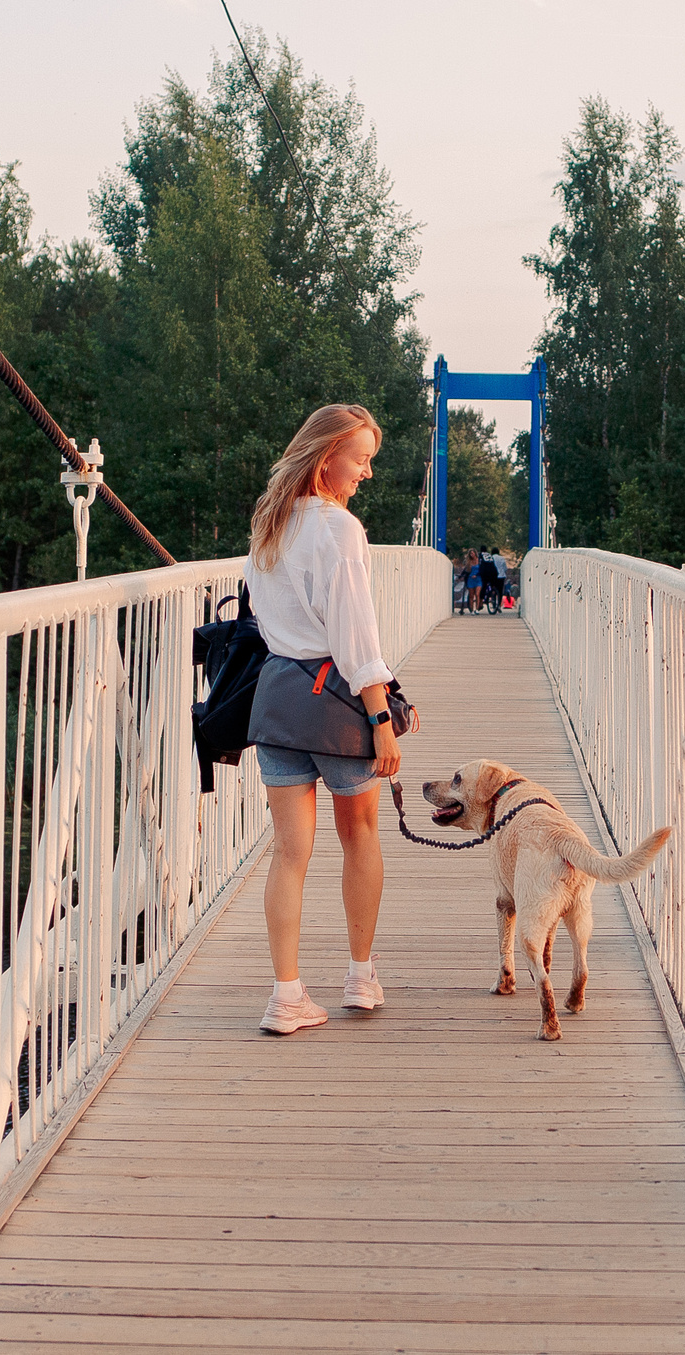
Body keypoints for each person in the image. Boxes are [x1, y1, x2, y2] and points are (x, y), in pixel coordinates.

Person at [242, 403, 403, 1035]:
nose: (366, 473)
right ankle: (361, 978)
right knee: (359, 833)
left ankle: (286, 997)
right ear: (327, 455)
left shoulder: (269, 522)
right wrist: (382, 718)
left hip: (277, 697)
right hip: (334, 702)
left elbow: (264, 616)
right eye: (360, 459)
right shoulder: (340, 529)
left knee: (289, 853)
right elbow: (355, 636)